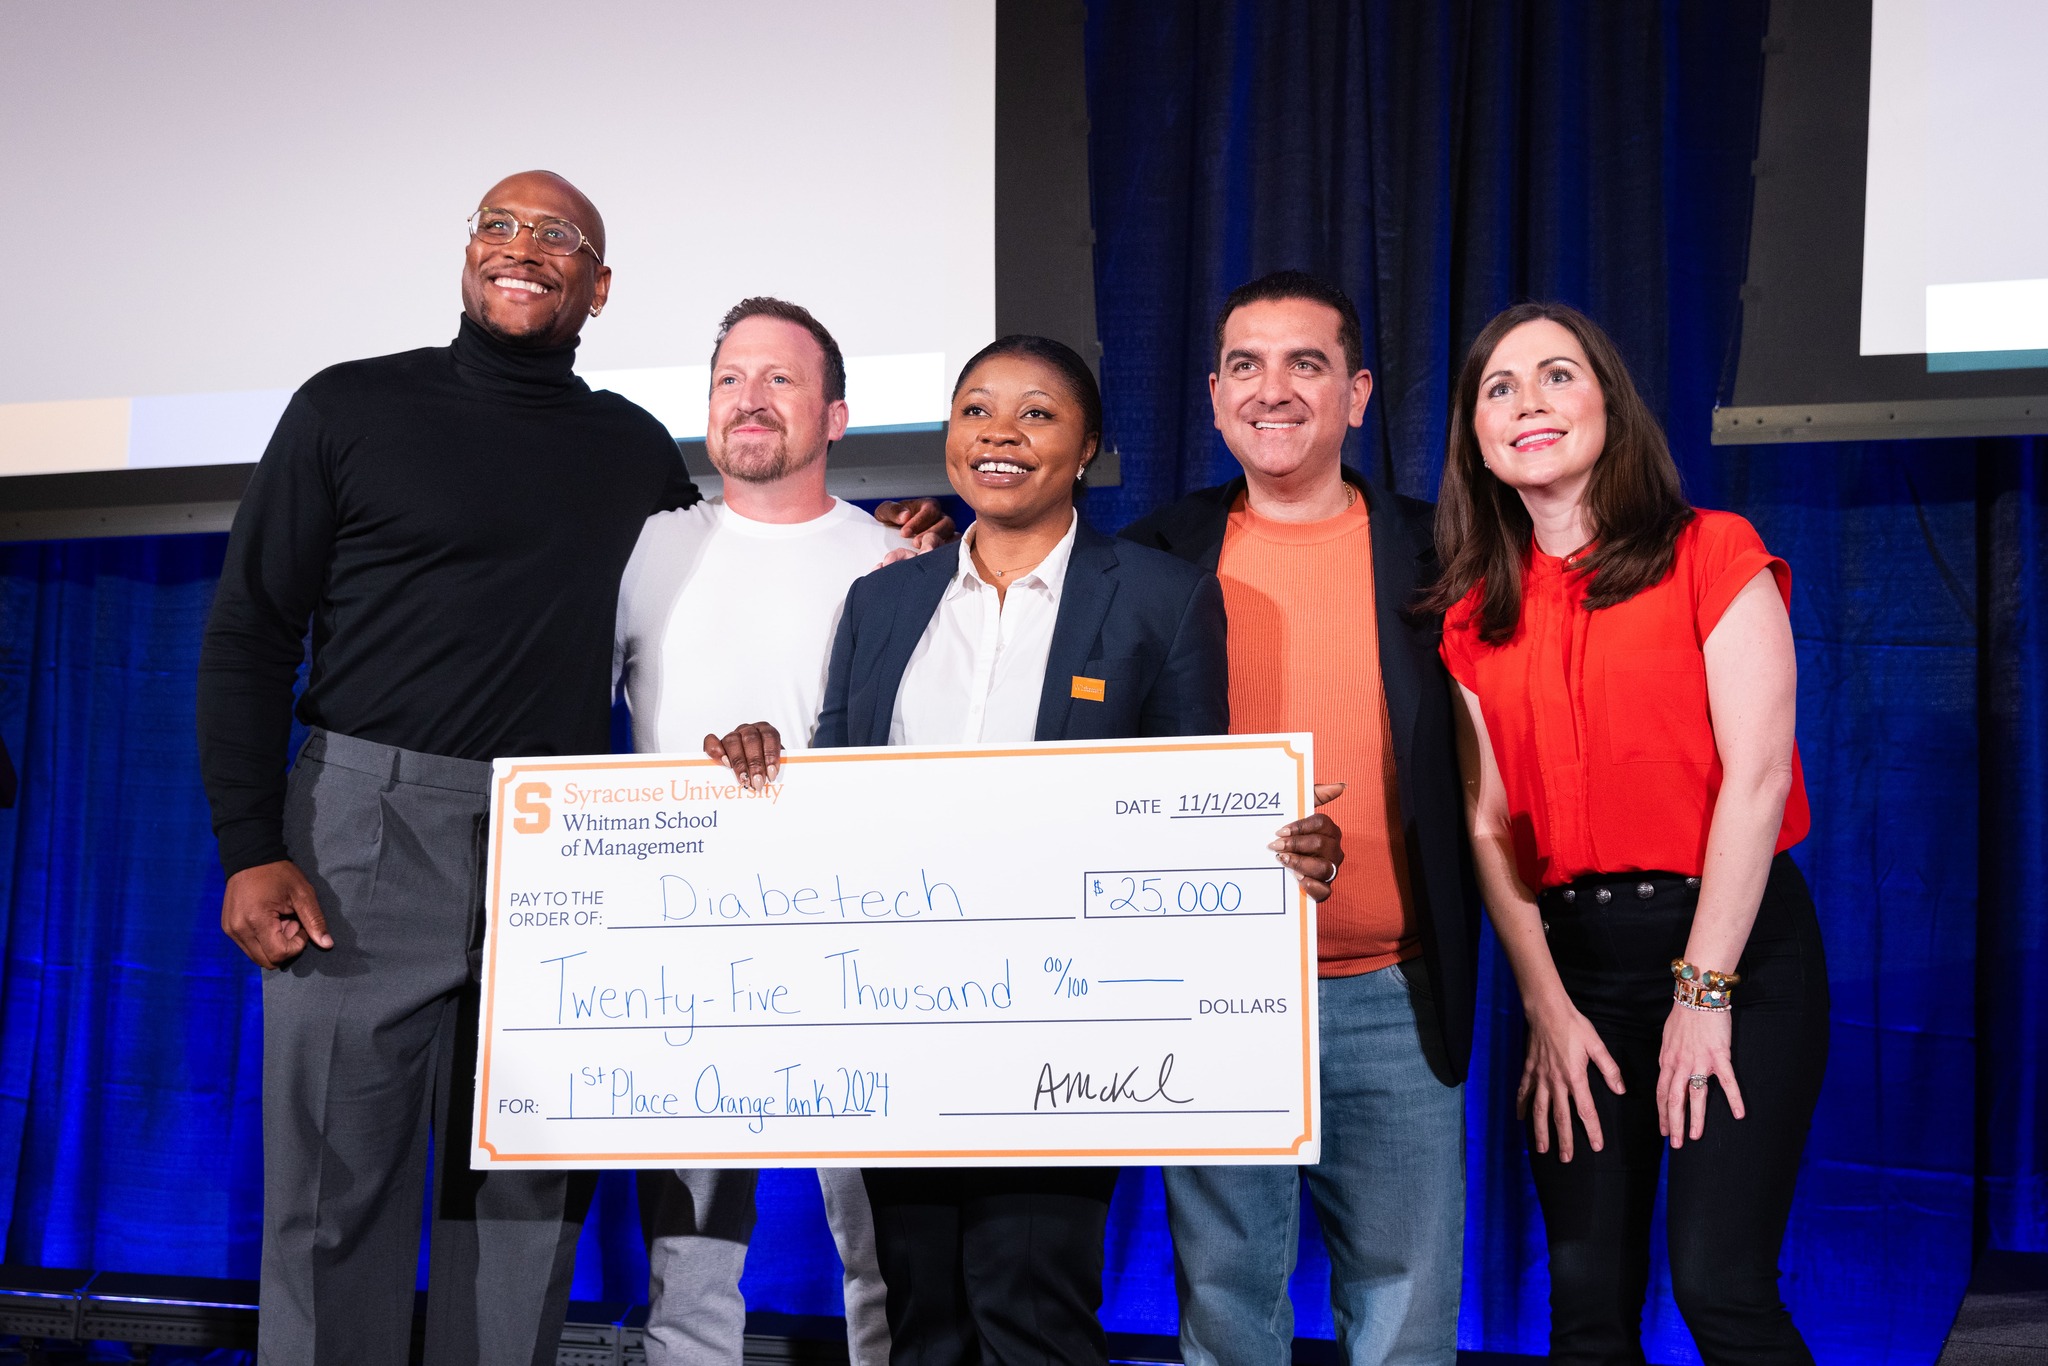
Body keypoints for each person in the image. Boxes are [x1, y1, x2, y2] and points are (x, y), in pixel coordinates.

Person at [196, 172, 948, 1365]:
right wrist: (251, 844)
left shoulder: (630, 453)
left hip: (561, 849)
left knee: (527, 1200)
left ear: (597, 287)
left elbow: (744, 555)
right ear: (465, 253)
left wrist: (901, 551)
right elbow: (249, 631)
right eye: (497, 225)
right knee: (334, 1200)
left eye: (557, 238)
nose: (521, 249)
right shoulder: (347, 407)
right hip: (365, 833)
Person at [710, 334, 1345, 1366]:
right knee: (918, 1314)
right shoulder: (881, 600)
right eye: (974, 410)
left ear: (1087, 445)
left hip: (1065, 1028)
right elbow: (834, 786)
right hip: (897, 1021)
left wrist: (1272, 849)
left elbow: (1193, 802)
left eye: (1036, 413)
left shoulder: (1156, 595)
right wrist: (765, 767)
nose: (999, 431)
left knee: (1030, 1309)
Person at [1430, 301, 1827, 1364]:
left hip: (1735, 953)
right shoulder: (1471, 610)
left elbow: (1752, 781)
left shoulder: (1711, 550)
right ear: (1475, 435)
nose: (1528, 403)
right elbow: (1485, 820)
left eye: (1556, 375)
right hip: (1574, 973)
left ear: (1607, 400)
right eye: (1497, 389)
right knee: (1585, 1307)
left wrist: (1702, 994)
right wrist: (1544, 1005)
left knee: (1717, 1286)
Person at [1120, 271, 1478, 1366]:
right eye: (1243, 364)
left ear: (1357, 393)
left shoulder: (1441, 551)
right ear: (1214, 394)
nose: (1270, 390)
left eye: (1303, 363)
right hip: (1211, 992)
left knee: (1405, 1310)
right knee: (1225, 1308)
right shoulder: (1147, 553)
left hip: (1389, 987)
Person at [614, 296, 909, 1366]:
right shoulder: (645, 550)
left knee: (882, 1250)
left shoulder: (897, 562)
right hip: (683, 943)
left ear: (834, 414)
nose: (749, 398)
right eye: (730, 378)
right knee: (688, 1261)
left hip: (858, 944)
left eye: (780, 379)